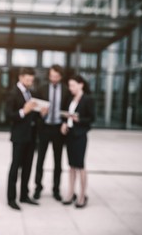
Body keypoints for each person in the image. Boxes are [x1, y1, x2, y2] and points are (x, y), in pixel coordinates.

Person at [33, 64, 70, 201]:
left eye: (56, 76)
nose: (53, 79)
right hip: (44, 128)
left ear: (60, 77)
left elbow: (68, 109)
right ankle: (38, 188)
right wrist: (40, 114)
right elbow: (35, 109)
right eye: (52, 76)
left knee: (58, 161)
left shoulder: (66, 90)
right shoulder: (41, 89)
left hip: (58, 129)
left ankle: (56, 189)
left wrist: (65, 122)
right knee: (40, 160)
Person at [6, 67, 39, 210]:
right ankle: (11, 198)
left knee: (28, 167)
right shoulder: (13, 93)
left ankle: (24, 195)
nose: (29, 82)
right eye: (27, 79)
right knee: (15, 167)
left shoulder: (31, 92)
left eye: (31, 80)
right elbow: (8, 115)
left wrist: (40, 111)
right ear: (20, 77)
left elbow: (32, 113)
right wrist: (23, 111)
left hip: (31, 136)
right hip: (19, 136)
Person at [60, 74, 95, 208]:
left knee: (80, 166)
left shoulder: (88, 99)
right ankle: (70, 193)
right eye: (69, 85)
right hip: (69, 135)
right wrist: (64, 123)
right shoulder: (70, 98)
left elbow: (91, 119)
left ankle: (82, 195)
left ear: (81, 85)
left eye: (73, 85)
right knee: (71, 166)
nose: (70, 88)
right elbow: (65, 114)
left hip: (80, 136)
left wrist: (78, 119)